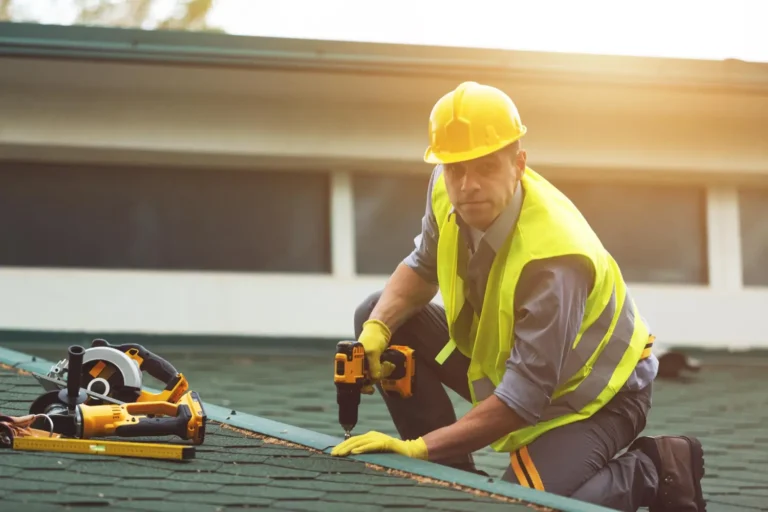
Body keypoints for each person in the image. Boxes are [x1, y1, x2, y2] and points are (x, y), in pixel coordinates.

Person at [330, 81, 706, 512]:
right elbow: (422, 266)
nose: (467, 184)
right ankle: (454, 479)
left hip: (595, 401)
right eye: (456, 169)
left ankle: (652, 469)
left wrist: (416, 448)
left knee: (515, 506)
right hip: (513, 370)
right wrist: (377, 330)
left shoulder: (556, 257)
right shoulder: (445, 185)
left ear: (519, 163)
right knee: (379, 315)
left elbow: (519, 403)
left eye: (486, 166)